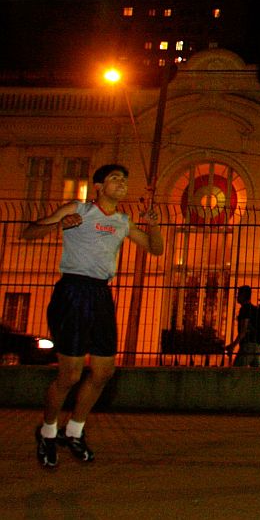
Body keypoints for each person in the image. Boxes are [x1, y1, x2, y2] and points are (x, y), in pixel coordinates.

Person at [22, 164, 163, 468]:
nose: (121, 183)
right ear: (98, 186)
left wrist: (153, 224)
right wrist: (59, 224)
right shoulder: (80, 210)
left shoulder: (123, 222)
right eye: (115, 178)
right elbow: (29, 231)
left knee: (103, 372)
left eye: (124, 179)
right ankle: (47, 431)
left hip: (100, 294)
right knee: (70, 374)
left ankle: (74, 430)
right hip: (73, 291)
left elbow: (155, 249)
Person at [225, 286, 260, 367]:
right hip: (258, 346)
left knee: (237, 372)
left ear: (243, 295)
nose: (237, 296)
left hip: (248, 346)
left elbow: (243, 330)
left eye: (238, 294)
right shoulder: (254, 309)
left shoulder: (245, 309)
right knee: (256, 374)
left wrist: (233, 345)